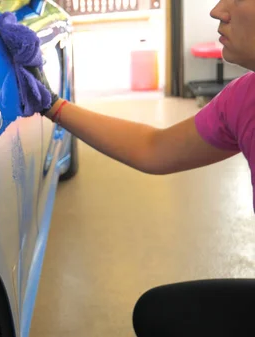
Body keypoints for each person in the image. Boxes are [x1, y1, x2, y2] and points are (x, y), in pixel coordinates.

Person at [29, 0, 255, 336]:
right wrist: (52, 105)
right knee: (159, 314)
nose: (218, 10)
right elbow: (155, 149)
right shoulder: (244, 99)